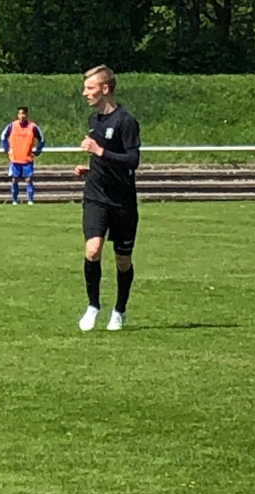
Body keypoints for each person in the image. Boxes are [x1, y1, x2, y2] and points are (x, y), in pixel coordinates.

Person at [74, 65, 141, 332]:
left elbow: (132, 160)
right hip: (96, 196)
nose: (85, 93)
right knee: (92, 250)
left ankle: (119, 310)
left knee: (123, 260)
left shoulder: (126, 121)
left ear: (105, 89)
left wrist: (99, 152)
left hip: (122, 201)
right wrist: (91, 169)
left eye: (89, 88)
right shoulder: (95, 120)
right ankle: (93, 306)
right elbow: (103, 158)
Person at [0, 107, 45, 205]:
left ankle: (30, 200)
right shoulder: (12, 126)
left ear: (26, 115)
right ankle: (14, 200)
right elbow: (3, 136)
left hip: (27, 158)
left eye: (23, 114)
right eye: (19, 114)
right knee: (14, 180)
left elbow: (41, 139)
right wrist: (6, 148)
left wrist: (38, 150)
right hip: (15, 158)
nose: (21, 116)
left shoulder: (32, 127)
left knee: (29, 179)